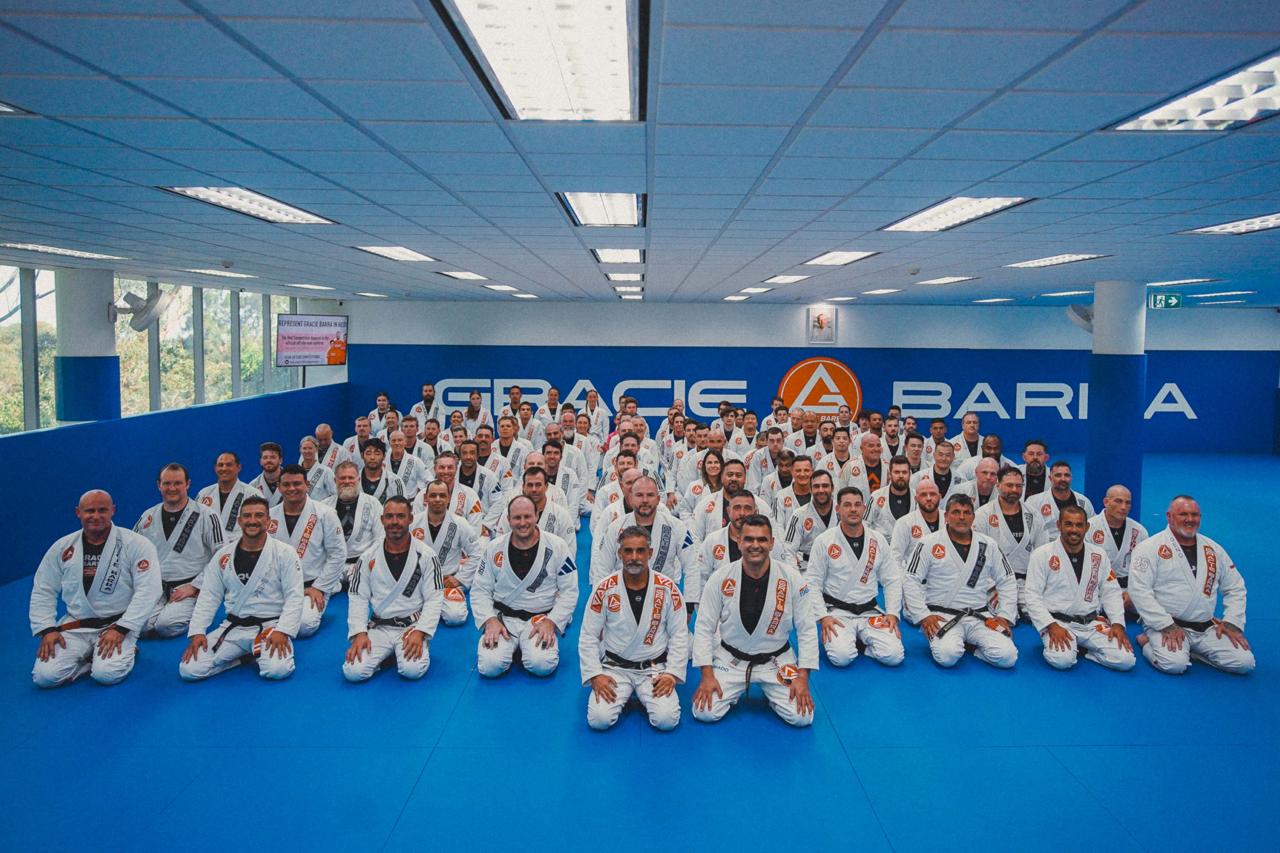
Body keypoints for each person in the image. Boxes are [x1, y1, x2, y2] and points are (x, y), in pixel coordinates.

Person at [691, 515, 818, 727]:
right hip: (731, 660)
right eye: (749, 539)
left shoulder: (792, 578)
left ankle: (774, 694)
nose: (755, 545)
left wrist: (803, 677)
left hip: (777, 660)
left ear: (772, 543)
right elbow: (704, 627)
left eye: (762, 539)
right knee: (704, 712)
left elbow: (807, 629)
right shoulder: (720, 577)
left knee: (802, 717)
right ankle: (733, 689)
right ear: (739, 542)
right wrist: (707, 675)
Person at [30, 490, 161, 688]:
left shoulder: (136, 544)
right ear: (78, 512)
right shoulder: (63, 547)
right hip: (77, 625)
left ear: (113, 510)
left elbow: (149, 590)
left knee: (107, 674)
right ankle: (89, 661)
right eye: (90, 511)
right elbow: (43, 589)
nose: (96, 516)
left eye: (102, 510)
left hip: (118, 624)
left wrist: (123, 628)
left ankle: (126, 649)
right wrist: (47, 629)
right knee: (44, 677)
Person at [179, 496, 304, 681]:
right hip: (234, 627)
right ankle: (244, 658)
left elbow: (295, 595)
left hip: (269, 626)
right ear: (239, 521)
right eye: (247, 516)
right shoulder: (224, 555)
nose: (252, 520)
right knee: (189, 670)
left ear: (268, 521)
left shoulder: (285, 553)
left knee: (277, 670)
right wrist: (197, 631)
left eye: (259, 515)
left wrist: (283, 630)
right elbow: (209, 596)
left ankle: (257, 652)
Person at [579, 526, 689, 731]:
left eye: (640, 551)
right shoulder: (604, 588)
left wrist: (672, 673)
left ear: (650, 553)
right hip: (615, 668)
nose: (634, 557)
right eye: (628, 551)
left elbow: (679, 634)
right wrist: (595, 674)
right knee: (599, 720)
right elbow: (588, 635)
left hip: (654, 668)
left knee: (666, 720)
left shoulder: (668, 588)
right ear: (620, 554)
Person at [1128, 496, 1254, 675]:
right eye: (1183, 514)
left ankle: (1190, 651)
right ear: (1169, 516)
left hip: (1206, 627)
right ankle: (1147, 641)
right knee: (1174, 665)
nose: (1190, 519)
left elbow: (1235, 587)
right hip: (1166, 625)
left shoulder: (1213, 549)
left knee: (1244, 663)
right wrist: (1165, 625)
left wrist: (1232, 622)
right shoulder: (1149, 548)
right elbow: (1139, 591)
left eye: (1195, 515)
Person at [903, 494, 1018, 669]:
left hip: (979, 616)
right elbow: (911, 579)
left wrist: (1004, 615)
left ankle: (973, 648)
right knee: (947, 656)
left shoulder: (988, 544)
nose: (962, 517)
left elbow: (1007, 579)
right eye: (956, 512)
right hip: (942, 615)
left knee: (1008, 657)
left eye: (966, 512)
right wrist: (923, 616)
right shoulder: (928, 543)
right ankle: (958, 643)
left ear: (973, 517)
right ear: (946, 516)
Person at [471, 495, 578, 678]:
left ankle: (525, 646)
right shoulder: (494, 548)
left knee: (541, 665)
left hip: (539, 619)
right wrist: (489, 620)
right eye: (517, 518)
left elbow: (570, 591)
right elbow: (480, 589)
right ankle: (513, 646)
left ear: (537, 516)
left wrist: (552, 622)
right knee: (489, 667)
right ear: (508, 519)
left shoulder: (558, 546)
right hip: (504, 619)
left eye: (527, 516)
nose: (522, 523)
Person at [343, 496, 444, 682]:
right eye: (389, 516)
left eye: (400, 516)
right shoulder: (367, 557)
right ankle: (388, 654)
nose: (395, 522)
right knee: (353, 672)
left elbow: (434, 598)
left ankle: (413, 646)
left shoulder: (427, 556)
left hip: (412, 626)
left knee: (412, 670)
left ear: (410, 519)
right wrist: (359, 633)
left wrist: (421, 631)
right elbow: (358, 597)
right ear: (382, 520)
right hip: (380, 627)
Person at [1023, 506, 1134, 671]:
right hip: (1058, 622)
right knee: (1062, 660)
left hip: (1091, 623)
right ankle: (1070, 647)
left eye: (1079, 525)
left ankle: (1087, 651)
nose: (1074, 530)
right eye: (1068, 524)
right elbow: (1032, 596)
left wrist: (1118, 623)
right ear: (1059, 525)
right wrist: (1050, 625)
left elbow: (1111, 592)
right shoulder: (1042, 554)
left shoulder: (1099, 555)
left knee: (1126, 660)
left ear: (1087, 527)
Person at [807, 486, 905, 667]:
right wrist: (823, 616)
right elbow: (812, 583)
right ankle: (851, 639)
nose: (853, 509)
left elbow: (891, 579)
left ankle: (860, 640)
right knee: (841, 658)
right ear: (838, 509)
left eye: (857, 505)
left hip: (870, 610)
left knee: (894, 656)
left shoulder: (877, 540)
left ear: (864, 508)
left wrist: (892, 613)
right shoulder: (824, 541)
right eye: (847, 505)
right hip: (837, 612)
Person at [134, 463, 224, 637]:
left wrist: (195, 586)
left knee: (166, 626)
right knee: (142, 625)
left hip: (188, 586)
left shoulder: (207, 515)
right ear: (159, 485)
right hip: (158, 586)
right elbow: (132, 551)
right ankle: (161, 609)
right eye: (167, 483)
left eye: (177, 483)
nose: (172, 488)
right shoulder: (148, 516)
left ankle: (199, 605)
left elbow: (222, 556)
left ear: (187, 484)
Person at [270, 465, 347, 638]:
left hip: (312, 585)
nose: (292, 488)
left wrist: (319, 587)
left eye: (297, 483)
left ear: (307, 485)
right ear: (279, 487)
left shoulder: (326, 514)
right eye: (286, 484)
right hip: (278, 586)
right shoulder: (270, 516)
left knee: (304, 625)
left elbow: (338, 554)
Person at [594, 475, 694, 585]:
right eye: (639, 495)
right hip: (622, 592)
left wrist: (684, 595)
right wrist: (599, 594)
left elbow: (692, 567)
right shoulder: (615, 528)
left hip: (662, 592)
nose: (645, 500)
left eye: (650, 495)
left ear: (658, 499)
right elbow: (602, 569)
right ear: (631, 499)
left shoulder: (676, 527)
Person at [410, 480, 482, 627]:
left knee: (456, 616)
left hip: (447, 581)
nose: (437, 499)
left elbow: (477, 553)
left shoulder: (460, 523)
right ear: (426, 498)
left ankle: (429, 606)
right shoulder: (413, 522)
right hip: (418, 581)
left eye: (442, 495)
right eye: (433, 495)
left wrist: (460, 579)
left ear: (449, 498)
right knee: (399, 611)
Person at [975, 465, 1046, 611]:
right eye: (1009, 485)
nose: (1014, 489)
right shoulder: (983, 514)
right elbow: (976, 556)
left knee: (1040, 612)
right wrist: (991, 586)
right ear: (998, 485)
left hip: (1026, 581)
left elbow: (1043, 552)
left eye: (1018, 486)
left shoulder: (1033, 514)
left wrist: (1037, 584)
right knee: (1003, 613)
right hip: (995, 581)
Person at [1086, 485, 1148, 612]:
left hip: (1129, 589)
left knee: (1163, 604)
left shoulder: (1139, 531)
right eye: (1118, 501)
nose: (1123, 507)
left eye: (1127, 503)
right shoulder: (1089, 528)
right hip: (1098, 589)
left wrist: (1132, 592)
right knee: (1084, 610)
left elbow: (1146, 568)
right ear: (1106, 502)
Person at [322, 461, 384, 583]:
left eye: (350, 478)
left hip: (363, 563)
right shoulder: (324, 506)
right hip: (331, 564)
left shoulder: (373, 503)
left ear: (358, 479)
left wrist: (363, 563)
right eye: (342, 478)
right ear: (335, 480)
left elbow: (380, 538)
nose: (346, 481)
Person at [1025, 461, 1095, 541]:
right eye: (1058, 475)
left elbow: (1092, 528)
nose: (1063, 479)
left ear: (1071, 478)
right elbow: (1027, 530)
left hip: (1076, 544)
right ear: (1050, 478)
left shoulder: (1084, 502)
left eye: (1066, 475)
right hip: (1045, 546)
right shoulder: (1034, 501)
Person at [780, 468, 835, 571]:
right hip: (808, 567)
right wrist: (795, 575)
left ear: (832, 488)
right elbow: (788, 550)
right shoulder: (799, 515)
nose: (821, 490)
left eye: (825, 486)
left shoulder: (841, 512)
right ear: (810, 489)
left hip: (838, 565)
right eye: (816, 486)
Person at [195, 451, 255, 542]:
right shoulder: (204, 494)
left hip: (240, 545)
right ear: (215, 468)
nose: (224, 468)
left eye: (229, 465)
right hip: (208, 547)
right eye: (220, 465)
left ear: (239, 467)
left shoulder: (252, 494)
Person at [865, 456, 915, 541]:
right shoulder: (876, 496)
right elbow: (864, 523)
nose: (901, 476)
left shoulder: (917, 497)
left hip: (910, 546)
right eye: (896, 472)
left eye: (904, 472)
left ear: (910, 474)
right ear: (890, 474)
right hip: (882, 546)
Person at [359, 438, 406, 504]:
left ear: (384, 456)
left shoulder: (395, 481)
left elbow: (402, 507)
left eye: (377, 453)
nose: (372, 457)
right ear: (362, 456)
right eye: (368, 453)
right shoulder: (354, 479)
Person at [298, 436, 336, 500]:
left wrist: (322, 505)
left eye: (310, 448)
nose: (307, 451)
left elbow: (334, 495)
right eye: (304, 448)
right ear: (300, 450)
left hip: (320, 505)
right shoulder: (295, 472)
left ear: (316, 449)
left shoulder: (326, 471)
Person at [249, 442, 286, 507]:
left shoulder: (292, 482)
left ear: (280, 460)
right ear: (260, 461)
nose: (268, 460)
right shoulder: (253, 486)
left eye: (273, 457)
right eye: (265, 457)